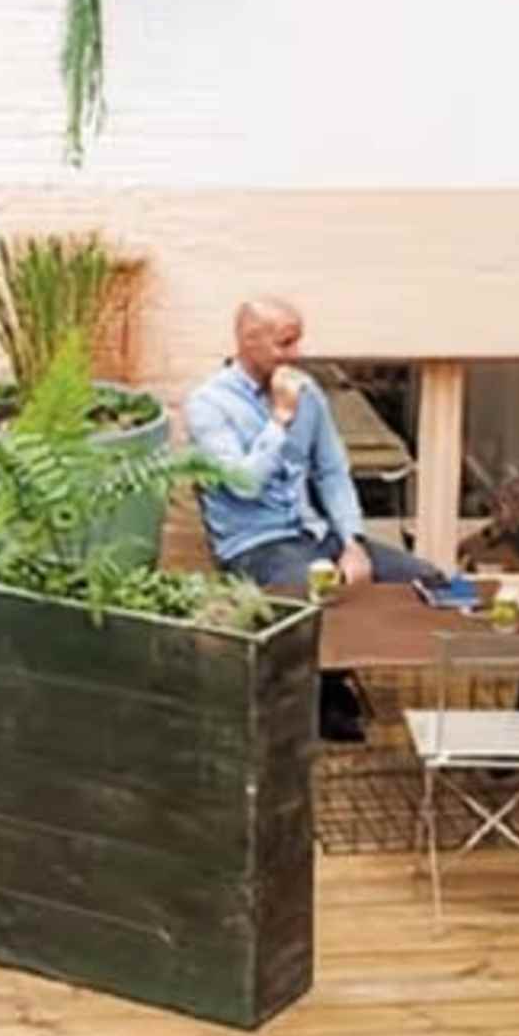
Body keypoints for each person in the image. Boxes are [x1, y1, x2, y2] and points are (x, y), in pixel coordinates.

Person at [184, 297, 441, 740]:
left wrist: (352, 541)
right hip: (254, 544)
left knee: (426, 580)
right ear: (249, 341)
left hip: (314, 532)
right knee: (320, 590)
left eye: (298, 340)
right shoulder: (210, 406)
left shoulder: (309, 392)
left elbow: (333, 471)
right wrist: (280, 420)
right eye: (286, 342)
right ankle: (323, 692)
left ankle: (357, 676)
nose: (297, 353)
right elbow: (242, 482)